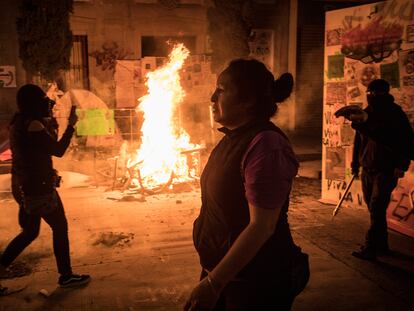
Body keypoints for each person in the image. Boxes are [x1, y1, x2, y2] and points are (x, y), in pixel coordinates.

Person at [184, 59, 309, 311]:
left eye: (221, 89)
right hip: (226, 273)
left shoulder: (266, 145)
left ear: (248, 100)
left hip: (255, 281)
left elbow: (261, 226)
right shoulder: (232, 137)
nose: (212, 97)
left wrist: (213, 284)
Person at [0, 84, 90, 295]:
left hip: (26, 184)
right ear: (33, 104)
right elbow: (57, 150)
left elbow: (38, 149)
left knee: (30, 232)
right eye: (42, 101)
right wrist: (70, 126)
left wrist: (54, 124)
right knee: (60, 226)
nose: (46, 105)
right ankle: (66, 276)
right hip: (38, 187)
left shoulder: (19, 121)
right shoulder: (33, 125)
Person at [336, 79, 414, 261]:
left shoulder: (395, 114)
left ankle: (370, 247)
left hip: (386, 169)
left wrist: (401, 166)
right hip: (368, 167)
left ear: (385, 94)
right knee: (373, 209)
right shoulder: (367, 112)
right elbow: (359, 141)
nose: (371, 96)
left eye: (375, 93)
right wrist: (355, 163)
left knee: (377, 206)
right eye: (369, 93)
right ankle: (382, 245)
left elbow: (405, 142)